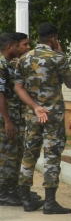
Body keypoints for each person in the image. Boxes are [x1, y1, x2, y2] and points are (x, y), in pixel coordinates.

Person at [14, 23, 71, 213]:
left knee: (29, 153)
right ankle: (50, 202)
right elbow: (70, 83)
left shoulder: (24, 58)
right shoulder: (58, 58)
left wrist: (35, 107)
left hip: (33, 114)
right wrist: (61, 54)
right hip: (53, 115)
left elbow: (18, 87)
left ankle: (26, 200)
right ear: (53, 38)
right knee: (52, 155)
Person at [0, 33, 32, 206]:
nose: (22, 48)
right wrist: (7, 120)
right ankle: (3, 193)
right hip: (5, 120)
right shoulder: (1, 65)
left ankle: (13, 189)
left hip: (15, 117)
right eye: (18, 45)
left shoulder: (10, 64)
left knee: (14, 154)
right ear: (9, 47)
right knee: (7, 156)